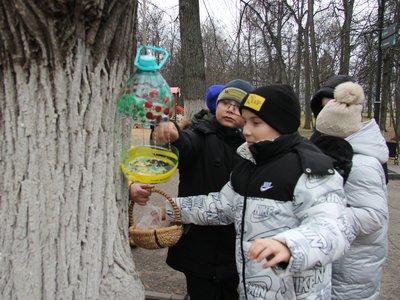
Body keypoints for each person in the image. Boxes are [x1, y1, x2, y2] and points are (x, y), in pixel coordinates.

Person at [163, 84, 351, 299]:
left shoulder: (309, 168)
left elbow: (335, 228)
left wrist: (290, 247)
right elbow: (222, 206)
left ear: (279, 123)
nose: (246, 130)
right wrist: (171, 208)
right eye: (246, 121)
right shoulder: (249, 163)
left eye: (256, 123)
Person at [139, 79, 254, 300]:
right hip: (199, 243)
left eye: (237, 106)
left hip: (234, 245)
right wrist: (174, 133)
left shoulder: (249, 144)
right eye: (225, 103)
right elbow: (187, 142)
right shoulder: (200, 133)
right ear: (216, 106)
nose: (230, 109)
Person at [314, 81, 389, 300]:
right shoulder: (343, 155)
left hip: (354, 265)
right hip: (342, 257)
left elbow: (373, 216)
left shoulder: (363, 164)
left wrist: (321, 216)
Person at [310, 74, 389, 183]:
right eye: (324, 109)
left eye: (334, 107)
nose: (329, 113)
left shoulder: (368, 150)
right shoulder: (318, 139)